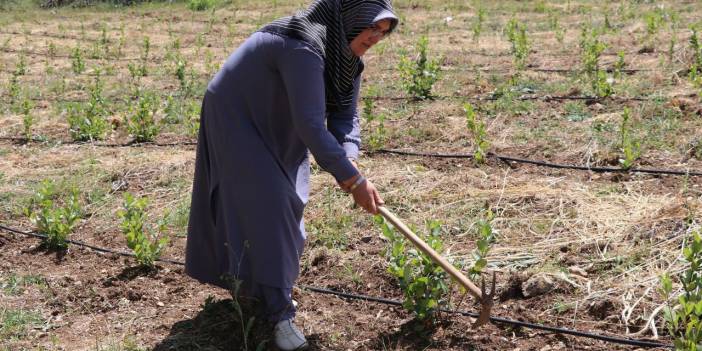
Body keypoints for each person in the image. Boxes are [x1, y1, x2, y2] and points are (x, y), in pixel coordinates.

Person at [184, 0, 399, 349]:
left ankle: (259, 287)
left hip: (277, 119)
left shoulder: (347, 60)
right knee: (274, 204)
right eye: (372, 27)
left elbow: (346, 117)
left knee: (287, 200)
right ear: (350, 18)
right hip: (236, 115)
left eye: (384, 32)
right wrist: (354, 181)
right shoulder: (302, 44)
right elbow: (312, 125)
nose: (376, 37)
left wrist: (349, 162)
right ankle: (279, 315)